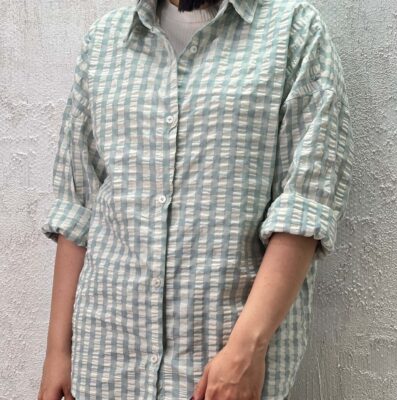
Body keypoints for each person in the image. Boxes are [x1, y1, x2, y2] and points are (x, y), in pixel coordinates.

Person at [38, 0, 354, 399]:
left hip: (222, 373)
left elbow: (305, 202)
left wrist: (246, 350)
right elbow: (78, 205)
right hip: (104, 366)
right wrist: (57, 351)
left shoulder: (294, 32)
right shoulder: (104, 42)